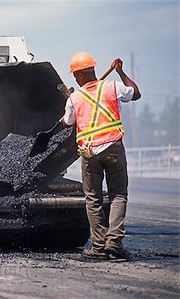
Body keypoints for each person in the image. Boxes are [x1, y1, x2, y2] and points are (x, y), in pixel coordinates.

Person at [62, 52, 141, 260]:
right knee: (118, 195)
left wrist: (66, 111)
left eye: (74, 75)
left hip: (89, 153)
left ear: (78, 76)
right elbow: (136, 93)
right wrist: (121, 72)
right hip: (114, 148)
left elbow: (67, 122)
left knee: (93, 199)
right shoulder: (112, 87)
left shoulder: (74, 98)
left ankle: (98, 247)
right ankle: (114, 243)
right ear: (93, 70)